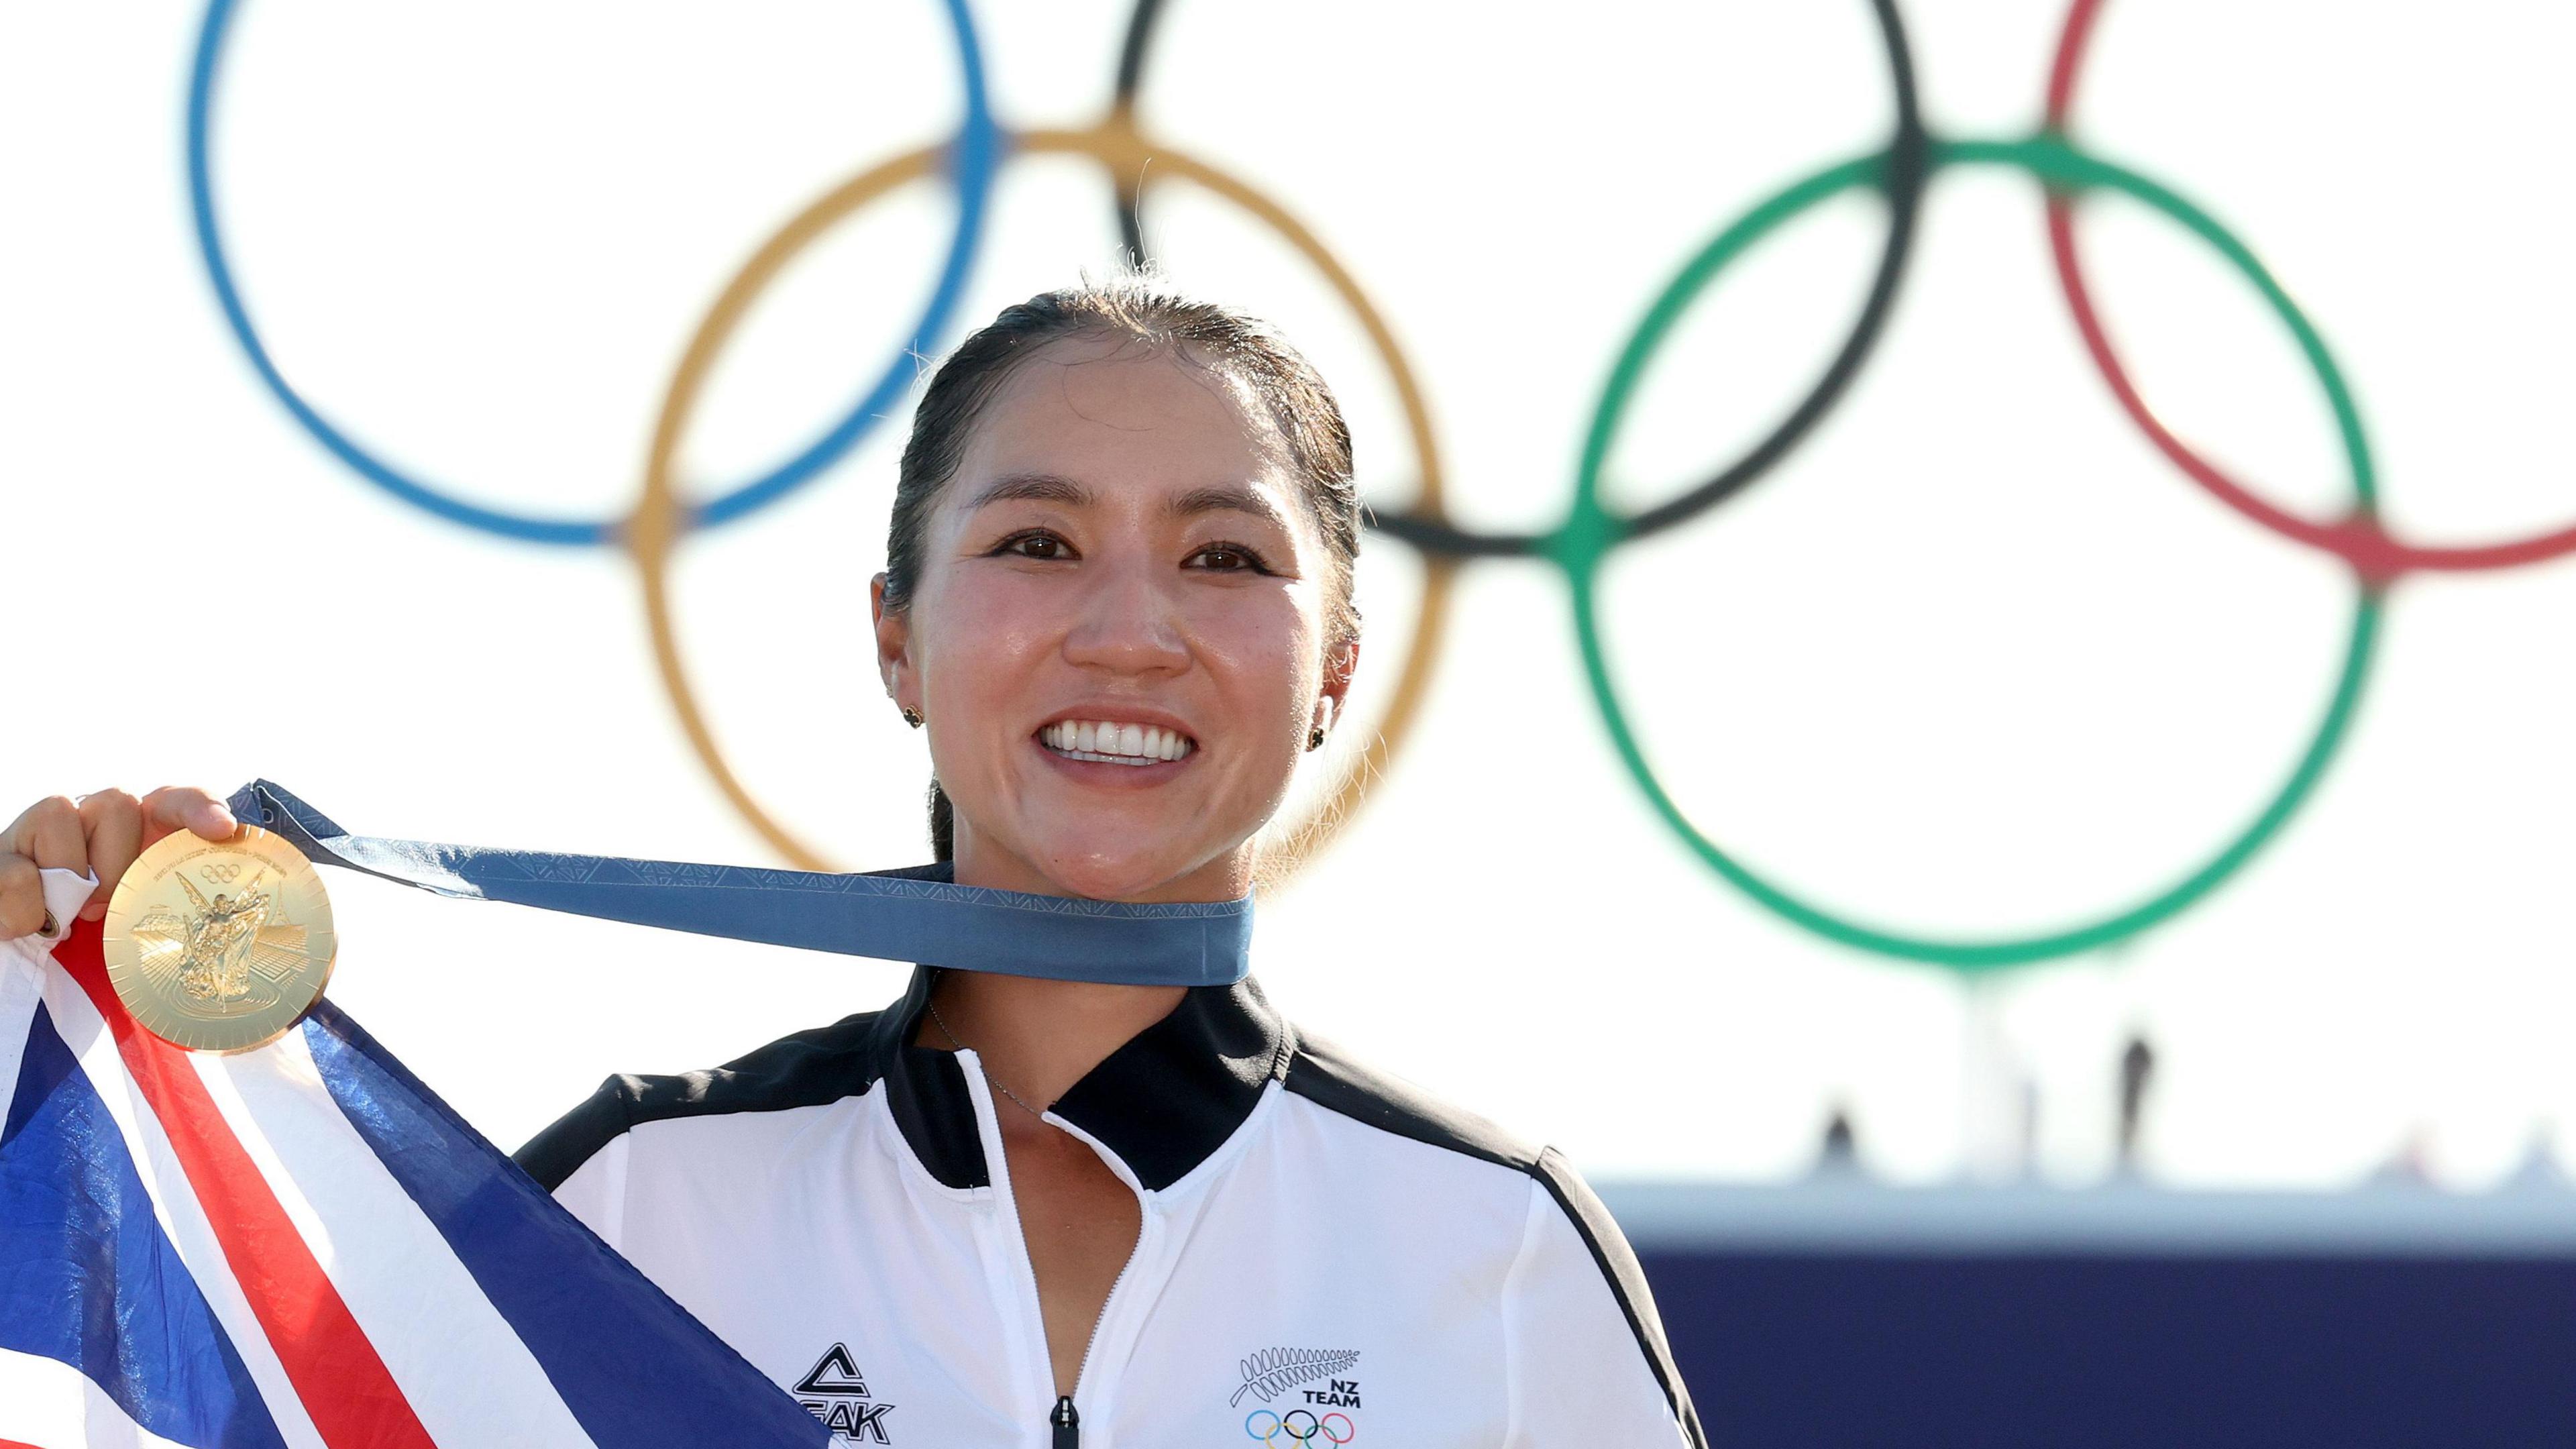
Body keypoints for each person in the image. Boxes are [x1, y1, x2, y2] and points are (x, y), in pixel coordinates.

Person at [3, 278, 1705, 1447]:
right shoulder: (636, 1204)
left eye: (1224, 555)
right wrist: (70, 1051)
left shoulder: (1498, 1254)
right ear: (897, 639)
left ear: (1332, 668)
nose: (1131, 630)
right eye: (1036, 541)